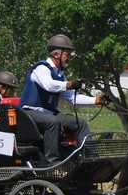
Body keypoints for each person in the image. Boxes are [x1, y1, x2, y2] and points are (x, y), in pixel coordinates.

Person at [18, 34, 107, 164]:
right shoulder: (41, 68)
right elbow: (48, 85)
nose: (69, 58)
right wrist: (68, 84)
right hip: (29, 113)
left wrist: (96, 100)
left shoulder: (60, 75)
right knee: (52, 122)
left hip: (48, 114)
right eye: (67, 54)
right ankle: (53, 163)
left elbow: (72, 98)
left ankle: (91, 159)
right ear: (56, 54)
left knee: (80, 123)